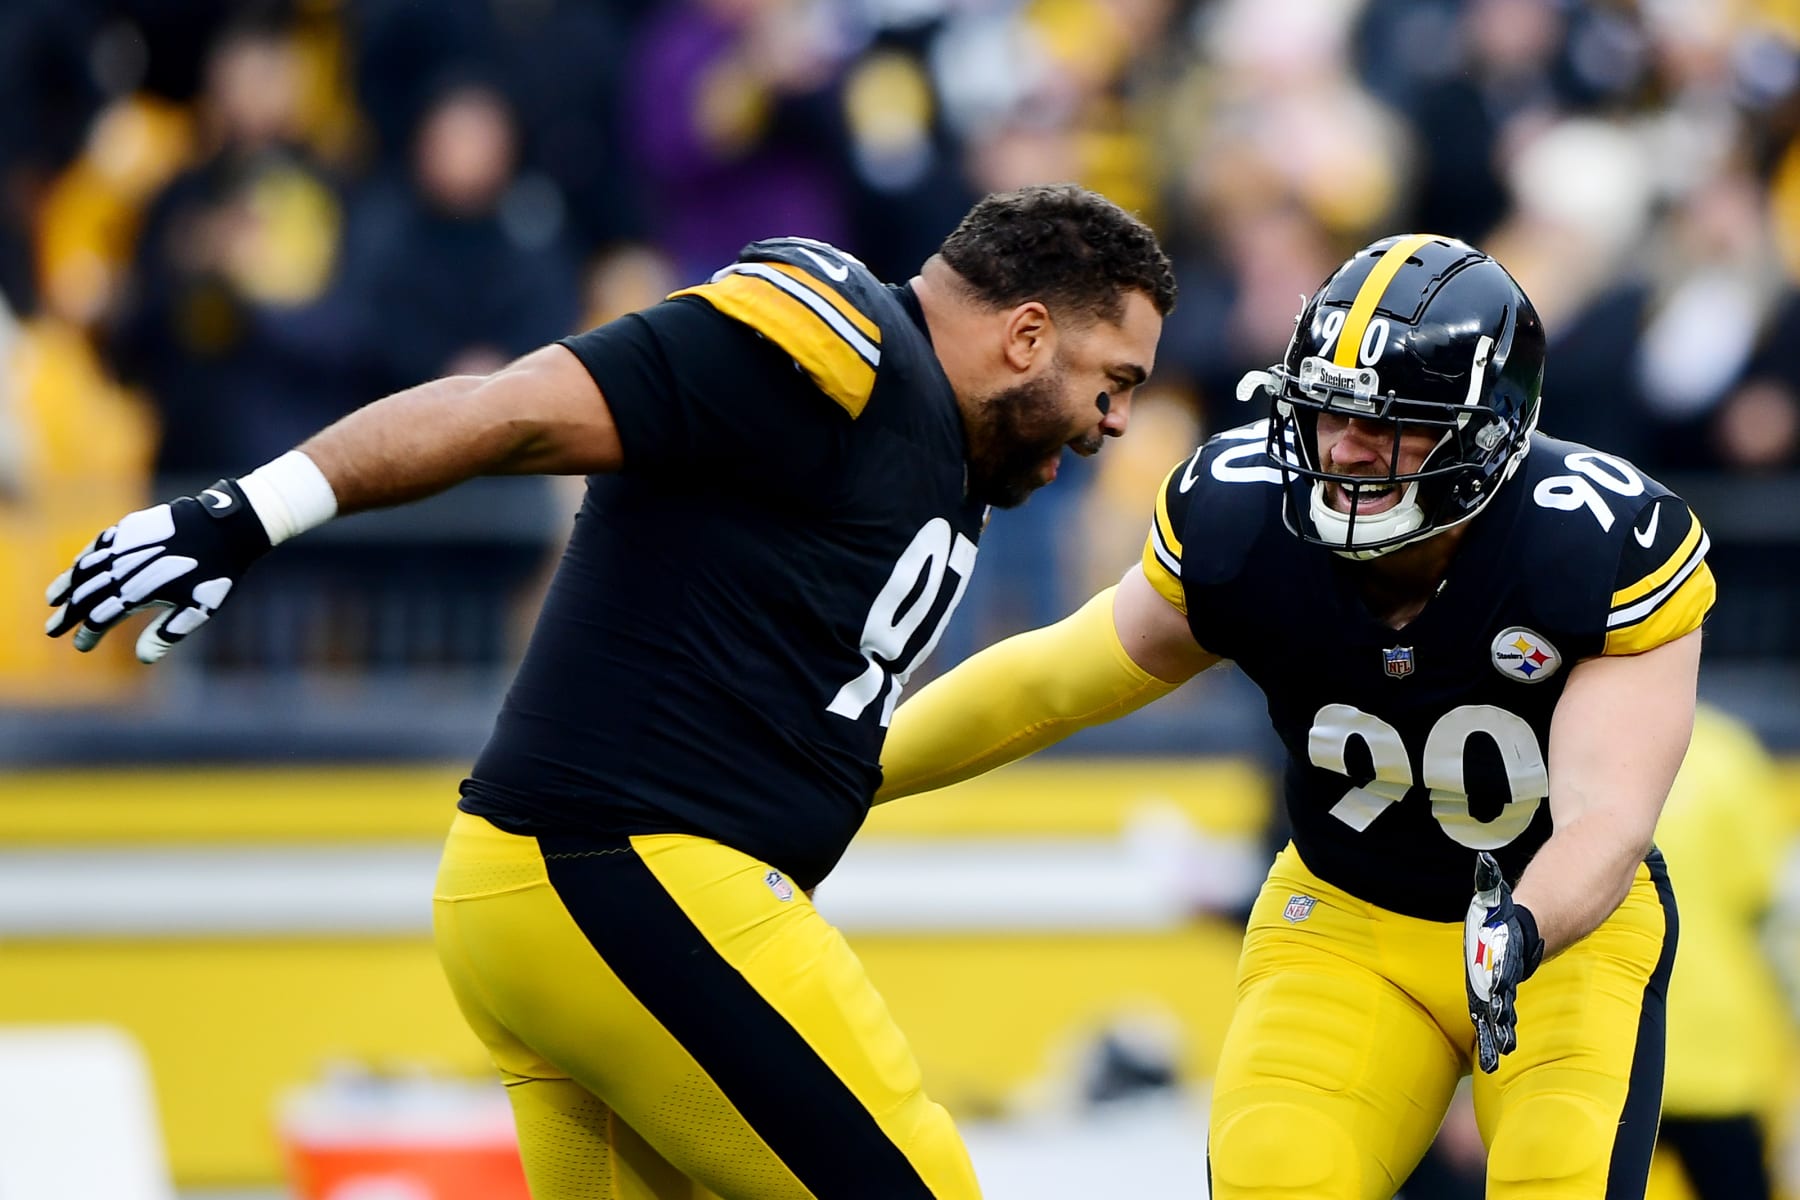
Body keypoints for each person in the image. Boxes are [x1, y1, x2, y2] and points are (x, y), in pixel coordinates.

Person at [43, 182, 1176, 1199]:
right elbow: (514, 408)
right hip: (629, 868)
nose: (1114, 422)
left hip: (566, 893)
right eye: (1113, 381)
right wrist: (250, 511)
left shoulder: (944, 439)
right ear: (1028, 334)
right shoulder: (836, 345)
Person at [878, 232, 1715, 1199]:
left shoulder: (1591, 539)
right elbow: (1056, 679)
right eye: (1326, 416)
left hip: (1559, 935)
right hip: (1346, 917)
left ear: (1487, 434)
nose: (1343, 450)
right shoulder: (1248, 517)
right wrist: (856, 762)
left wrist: (1519, 929)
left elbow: (1606, 818)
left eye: (1389, 426)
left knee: (1557, 1177)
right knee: (1276, 1174)